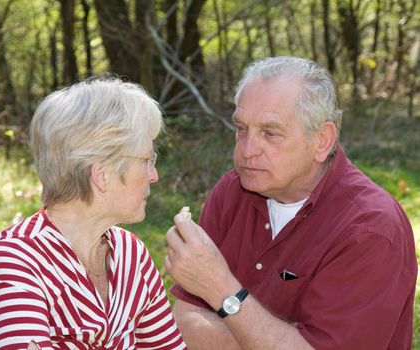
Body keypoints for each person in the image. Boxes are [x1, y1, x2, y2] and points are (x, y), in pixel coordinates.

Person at [165, 56, 417, 349]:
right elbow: (185, 319)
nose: (246, 150)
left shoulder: (370, 229)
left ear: (322, 140)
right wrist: (280, 338)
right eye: (241, 128)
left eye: (270, 133)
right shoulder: (231, 192)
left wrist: (220, 288)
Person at [0, 78, 186, 349]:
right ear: (101, 174)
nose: (154, 175)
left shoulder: (131, 256)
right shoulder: (14, 264)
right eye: (146, 160)